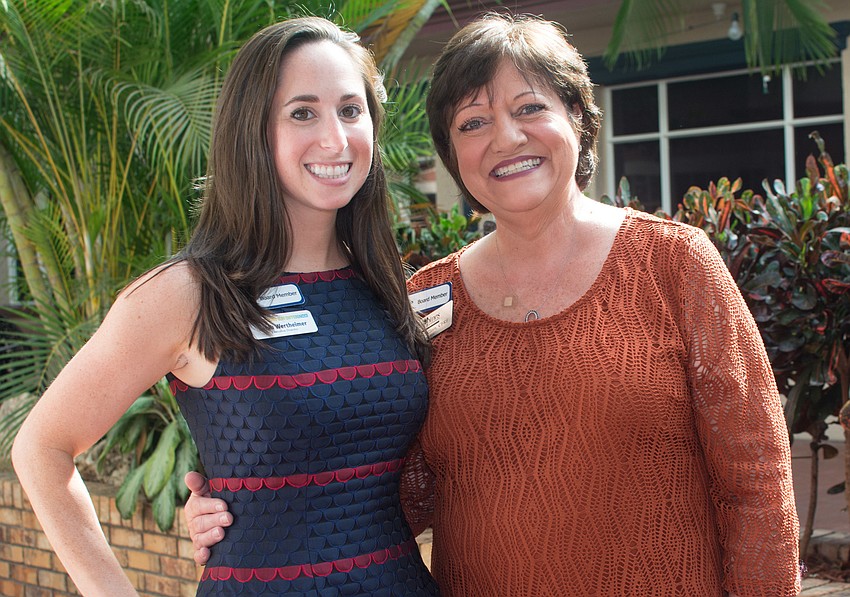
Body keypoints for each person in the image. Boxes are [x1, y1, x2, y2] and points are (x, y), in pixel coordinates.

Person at [183, 12, 801, 596]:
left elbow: (756, 484)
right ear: (453, 158)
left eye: (530, 107)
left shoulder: (675, 264)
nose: (506, 138)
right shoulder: (426, 297)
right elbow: (393, 484)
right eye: (472, 123)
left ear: (579, 119)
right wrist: (244, 504)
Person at [11, 16, 440, 597]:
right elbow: (41, 447)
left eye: (350, 109)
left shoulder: (386, 283)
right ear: (252, 131)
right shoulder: (187, 293)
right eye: (302, 112)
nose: (336, 139)